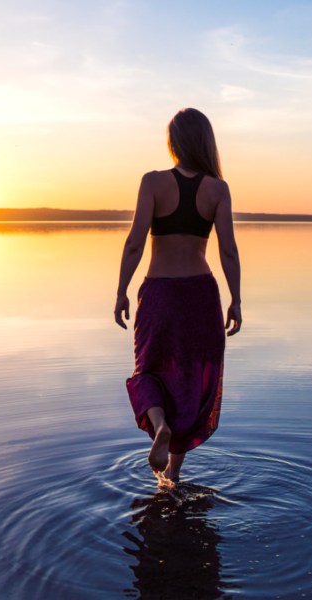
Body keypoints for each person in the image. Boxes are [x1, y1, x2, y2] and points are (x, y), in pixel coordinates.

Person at [114, 107, 242, 482]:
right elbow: (229, 250)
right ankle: (172, 474)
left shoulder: (152, 182)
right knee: (190, 380)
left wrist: (121, 290)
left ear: (173, 143)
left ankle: (159, 426)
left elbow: (135, 242)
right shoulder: (218, 189)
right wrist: (235, 299)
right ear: (205, 141)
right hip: (201, 296)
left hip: (160, 294)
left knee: (148, 370)